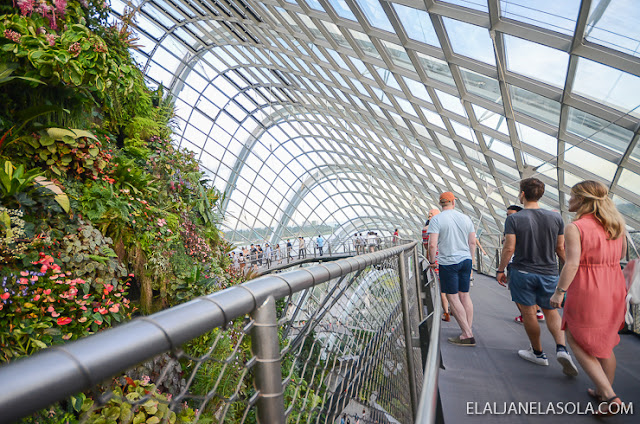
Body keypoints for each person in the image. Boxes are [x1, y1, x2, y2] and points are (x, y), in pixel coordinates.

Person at [549, 181, 627, 416]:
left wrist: (559, 292)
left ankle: (611, 396)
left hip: (588, 288)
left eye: (572, 197)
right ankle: (603, 391)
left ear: (582, 200)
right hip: (614, 285)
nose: (569, 201)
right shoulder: (616, 225)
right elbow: (621, 256)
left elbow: (572, 263)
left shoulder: (577, 227)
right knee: (605, 341)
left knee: (575, 337)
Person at [496, 178, 578, 376]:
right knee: (551, 312)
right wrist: (571, 268)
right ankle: (561, 349)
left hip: (522, 272)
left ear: (522, 194)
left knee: (529, 314)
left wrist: (500, 270)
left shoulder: (514, 219)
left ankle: (538, 353)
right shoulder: (556, 218)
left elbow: (509, 248)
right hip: (549, 273)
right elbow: (560, 248)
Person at [428, 192, 476, 346]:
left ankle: (467, 334)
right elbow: (472, 242)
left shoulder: (436, 219)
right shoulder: (466, 218)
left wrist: (432, 261)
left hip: (448, 262)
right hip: (465, 260)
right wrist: (471, 261)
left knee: (452, 297)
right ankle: (467, 330)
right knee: (465, 295)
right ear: (453, 202)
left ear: (441, 203)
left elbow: (432, 244)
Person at [505, 205, 545, 324]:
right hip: (532, 264)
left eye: (511, 215)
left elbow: (509, 248)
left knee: (516, 292)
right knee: (532, 291)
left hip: (516, 264)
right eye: (507, 215)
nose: (508, 217)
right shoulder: (531, 228)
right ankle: (537, 312)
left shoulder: (513, 228)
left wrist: (501, 269)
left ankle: (525, 315)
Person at [424, 208, 450, 322]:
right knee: (449, 288)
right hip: (448, 260)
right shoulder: (446, 227)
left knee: (441, 290)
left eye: (431, 214)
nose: (429, 216)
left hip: (437, 262)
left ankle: (446, 312)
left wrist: (431, 261)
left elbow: (429, 246)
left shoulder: (427, 229)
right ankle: (450, 309)